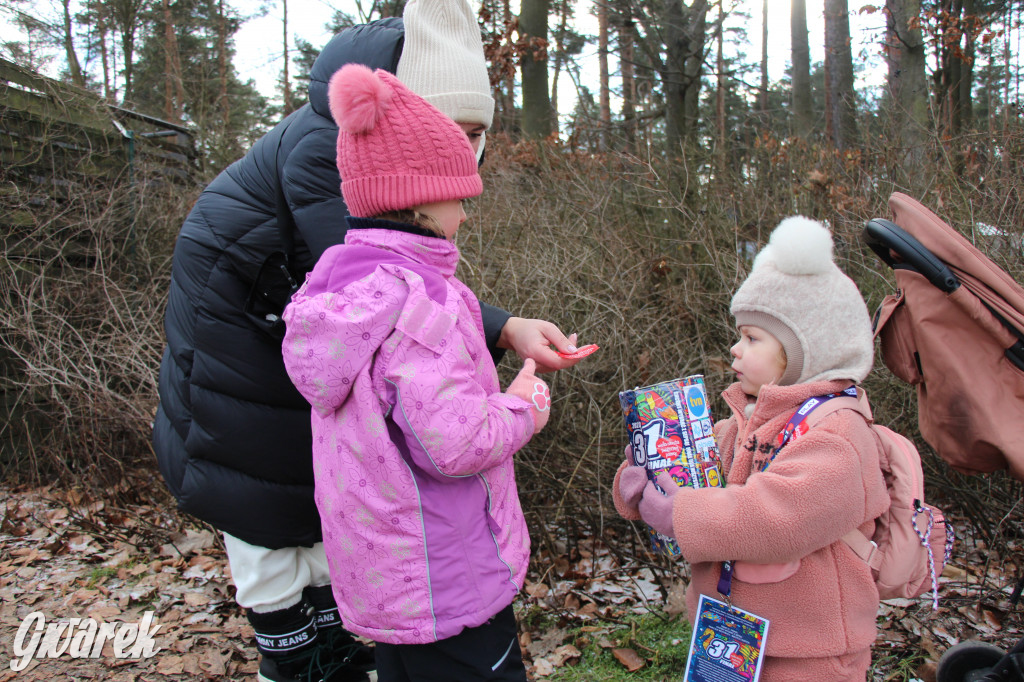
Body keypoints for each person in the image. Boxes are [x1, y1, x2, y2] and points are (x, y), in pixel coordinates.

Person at [152, 1, 580, 680]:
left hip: (300, 331)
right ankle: (296, 660)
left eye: (478, 135)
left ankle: (337, 649)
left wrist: (501, 328)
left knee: (336, 507)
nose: (470, 166)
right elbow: (403, 304)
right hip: (238, 337)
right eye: (456, 134)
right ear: (414, 124)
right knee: (267, 502)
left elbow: (392, 297)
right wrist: (518, 391)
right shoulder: (339, 150)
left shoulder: (381, 152)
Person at [282, 62, 548, 682]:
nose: (465, 213)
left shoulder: (339, 289)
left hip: (387, 580)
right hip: (451, 577)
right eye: (460, 196)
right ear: (420, 197)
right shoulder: (423, 303)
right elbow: (455, 443)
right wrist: (523, 404)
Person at [612, 216, 890, 681]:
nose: (735, 350)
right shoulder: (743, 421)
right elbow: (697, 479)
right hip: (735, 641)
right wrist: (643, 480)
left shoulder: (839, 435)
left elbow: (778, 518)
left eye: (752, 338)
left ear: (807, 348)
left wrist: (679, 513)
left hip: (811, 654)